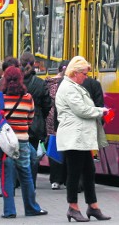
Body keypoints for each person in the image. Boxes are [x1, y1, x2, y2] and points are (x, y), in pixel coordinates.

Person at [55, 56, 111, 222]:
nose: (86, 77)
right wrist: (101, 111)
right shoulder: (68, 88)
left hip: (80, 138)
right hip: (74, 137)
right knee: (74, 173)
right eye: (84, 74)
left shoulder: (73, 86)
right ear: (75, 73)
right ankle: (73, 207)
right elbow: (82, 110)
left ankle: (92, 206)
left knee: (88, 171)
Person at [0, 66, 48, 218]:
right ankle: (31, 208)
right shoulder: (28, 98)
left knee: (7, 177)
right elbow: (30, 119)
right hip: (23, 142)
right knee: (26, 175)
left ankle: (9, 211)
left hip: (5, 144)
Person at [20, 52, 52, 188]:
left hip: (18, 123)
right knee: (33, 155)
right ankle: (31, 183)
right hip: (35, 123)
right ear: (34, 65)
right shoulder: (40, 83)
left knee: (18, 153)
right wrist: (41, 117)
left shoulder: (16, 82)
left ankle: (18, 181)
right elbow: (47, 104)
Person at [45, 60, 70, 190]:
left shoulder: (49, 83)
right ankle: (65, 177)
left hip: (51, 119)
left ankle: (55, 179)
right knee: (66, 149)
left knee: (54, 148)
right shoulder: (68, 84)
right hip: (63, 119)